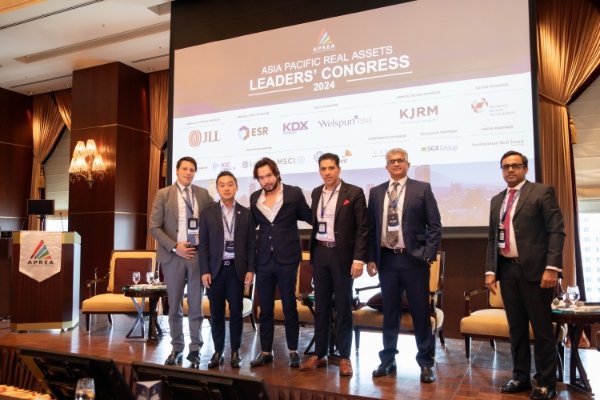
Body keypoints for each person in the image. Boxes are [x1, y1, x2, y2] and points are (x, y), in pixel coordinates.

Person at [485, 151, 565, 400]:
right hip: (507, 270)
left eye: (515, 165)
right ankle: (520, 377)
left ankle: (546, 382)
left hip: (537, 272)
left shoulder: (542, 192)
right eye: (505, 166)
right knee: (516, 329)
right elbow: (492, 238)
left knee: (541, 330)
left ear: (525, 169)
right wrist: (490, 271)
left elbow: (556, 231)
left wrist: (552, 268)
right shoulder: (497, 200)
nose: (510, 170)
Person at [366, 147, 442, 383]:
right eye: (392, 161)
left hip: (413, 260)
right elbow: (371, 228)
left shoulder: (422, 189)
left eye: (401, 160)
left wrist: (427, 255)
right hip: (386, 259)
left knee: (420, 312)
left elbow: (435, 226)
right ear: (386, 166)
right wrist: (371, 257)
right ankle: (388, 359)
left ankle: (426, 363)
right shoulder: (377, 192)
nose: (396, 164)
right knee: (390, 312)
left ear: (408, 164)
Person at [299, 153, 368, 376]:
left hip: (342, 255)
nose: (327, 172)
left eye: (331, 168)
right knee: (321, 307)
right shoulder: (316, 192)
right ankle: (320, 354)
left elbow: (363, 228)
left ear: (339, 169)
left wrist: (358, 259)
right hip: (320, 253)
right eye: (323, 168)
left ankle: (345, 357)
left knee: (343, 306)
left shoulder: (354, 192)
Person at [149, 156, 215, 367]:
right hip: (173, 256)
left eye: (192, 170)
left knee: (196, 305)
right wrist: (175, 246)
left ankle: (195, 349)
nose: (188, 172)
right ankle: (177, 348)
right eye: (185, 169)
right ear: (177, 171)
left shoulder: (202, 194)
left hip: (196, 255)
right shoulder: (163, 194)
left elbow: (217, 215)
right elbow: (154, 226)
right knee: (174, 305)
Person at [249, 157, 312, 368]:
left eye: (269, 175)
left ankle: (293, 351)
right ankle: (266, 351)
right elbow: (250, 228)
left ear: (276, 173)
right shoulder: (255, 198)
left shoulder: (293, 193)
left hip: (287, 259)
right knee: (265, 309)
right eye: (261, 177)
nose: (266, 180)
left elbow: (310, 217)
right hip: (264, 260)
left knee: (289, 307)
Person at [199, 171, 256, 368]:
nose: (226, 188)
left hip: (236, 270)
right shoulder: (208, 213)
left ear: (236, 187)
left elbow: (251, 245)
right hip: (215, 271)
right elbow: (203, 245)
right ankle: (218, 351)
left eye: (230, 184)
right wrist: (204, 270)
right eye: (222, 185)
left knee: (236, 312)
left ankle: (235, 352)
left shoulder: (246, 214)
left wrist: (251, 269)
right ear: (217, 189)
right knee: (216, 314)